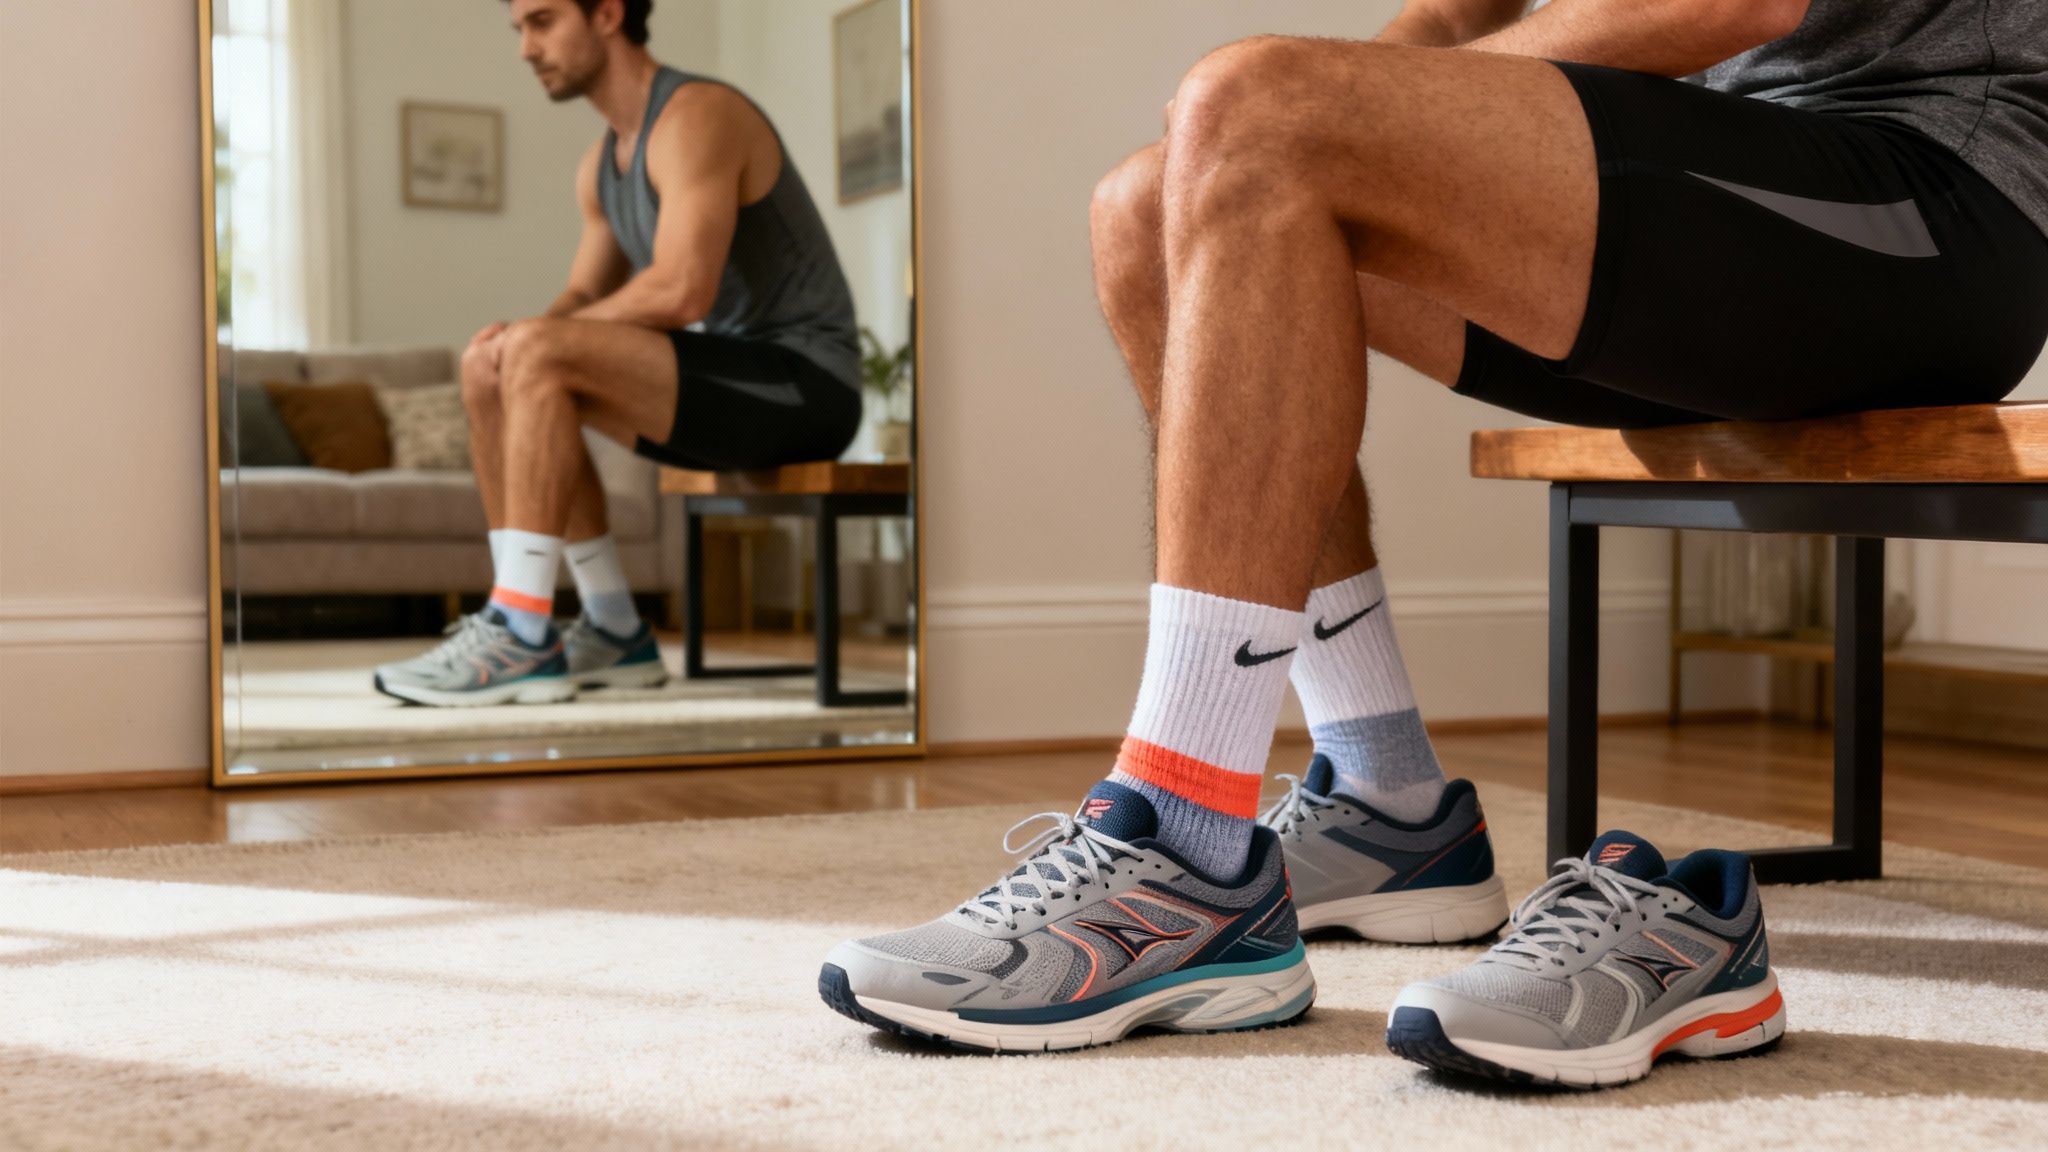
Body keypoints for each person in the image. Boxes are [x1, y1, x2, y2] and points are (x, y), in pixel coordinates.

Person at [818, 0, 2048, 1085]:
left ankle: (1178, 844)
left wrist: (1312, 112)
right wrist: (1323, 114)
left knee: (1256, 113)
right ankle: (1387, 800)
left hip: (1928, 201)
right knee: (1154, 203)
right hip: (1720, 198)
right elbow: (1447, 19)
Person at [376, 0, 861, 708]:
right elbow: (583, 292)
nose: (526, 47)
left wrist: (535, 344)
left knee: (534, 353)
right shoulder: (600, 164)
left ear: (607, 13)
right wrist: (514, 342)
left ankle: (519, 629)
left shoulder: (697, 116)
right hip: (726, 381)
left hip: (805, 386)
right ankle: (612, 626)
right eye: (520, 28)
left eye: (543, 21)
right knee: (486, 366)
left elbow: (682, 290)